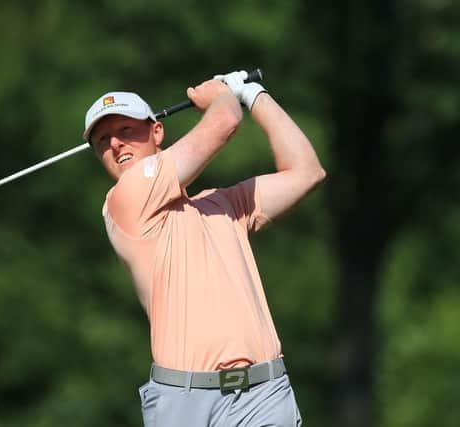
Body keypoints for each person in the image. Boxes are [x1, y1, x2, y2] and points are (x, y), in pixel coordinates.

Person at [82, 70, 325, 427]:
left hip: (263, 394)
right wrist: (223, 95)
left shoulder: (221, 205)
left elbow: (307, 171)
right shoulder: (125, 200)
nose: (115, 144)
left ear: (157, 131)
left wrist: (254, 94)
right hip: (186, 402)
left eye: (125, 130)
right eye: (103, 140)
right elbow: (224, 121)